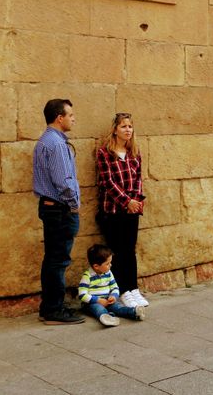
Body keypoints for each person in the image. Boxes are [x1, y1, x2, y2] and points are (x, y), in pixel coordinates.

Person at [33, 98, 85, 324]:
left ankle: (50, 307)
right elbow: (63, 182)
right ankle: (54, 310)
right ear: (59, 117)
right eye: (70, 114)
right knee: (58, 260)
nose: (74, 118)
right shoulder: (55, 144)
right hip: (59, 210)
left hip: (52, 208)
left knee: (53, 259)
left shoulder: (49, 141)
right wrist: (73, 205)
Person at [95, 112, 149, 308]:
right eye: (124, 126)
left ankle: (133, 288)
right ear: (115, 130)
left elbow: (138, 179)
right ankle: (123, 290)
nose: (128, 130)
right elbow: (108, 182)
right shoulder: (104, 153)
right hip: (113, 210)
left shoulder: (134, 153)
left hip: (132, 211)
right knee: (117, 251)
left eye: (130, 126)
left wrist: (135, 201)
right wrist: (126, 201)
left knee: (130, 250)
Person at [78, 244, 146, 327]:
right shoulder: (87, 276)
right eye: (107, 263)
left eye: (110, 262)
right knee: (99, 309)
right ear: (96, 266)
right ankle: (107, 318)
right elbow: (82, 295)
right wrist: (97, 300)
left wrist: (113, 296)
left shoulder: (108, 273)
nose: (110, 265)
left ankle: (133, 312)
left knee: (117, 307)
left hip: (107, 300)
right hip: (91, 303)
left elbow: (115, 287)